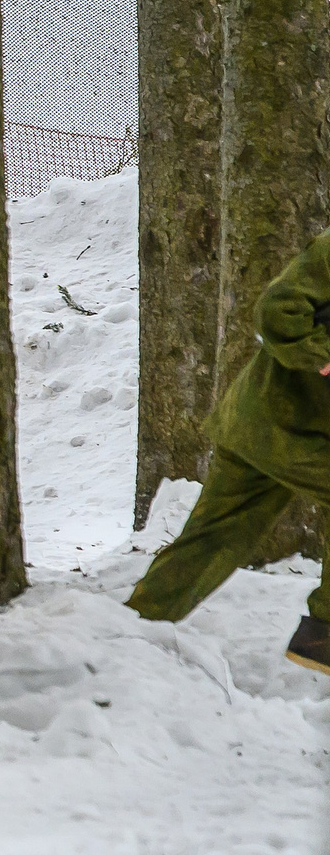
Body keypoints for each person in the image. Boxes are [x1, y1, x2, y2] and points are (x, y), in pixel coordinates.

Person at [128, 228, 330, 673]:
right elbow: (278, 310)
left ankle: (130, 628)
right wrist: (320, 354)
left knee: (215, 536)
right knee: (217, 534)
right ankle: (324, 636)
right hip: (280, 423)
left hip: (264, 426)